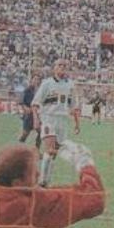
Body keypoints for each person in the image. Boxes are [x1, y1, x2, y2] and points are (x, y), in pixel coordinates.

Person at [32, 59, 80, 187]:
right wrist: (36, 120)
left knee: (54, 153)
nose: (62, 67)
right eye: (59, 65)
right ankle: (42, 181)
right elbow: (35, 103)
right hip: (49, 118)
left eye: (65, 66)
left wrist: (77, 124)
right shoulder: (47, 83)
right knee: (50, 150)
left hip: (63, 120)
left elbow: (74, 107)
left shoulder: (70, 85)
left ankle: (46, 182)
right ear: (54, 68)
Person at [18, 73, 41, 148]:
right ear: (31, 80)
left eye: (38, 79)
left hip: (37, 115)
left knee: (40, 132)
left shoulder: (40, 91)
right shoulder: (27, 90)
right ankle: (19, 146)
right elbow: (21, 102)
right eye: (35, 79)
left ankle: (36, 149)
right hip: (29, 115)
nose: (36, 81)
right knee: (25, 134)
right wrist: (25, 108)